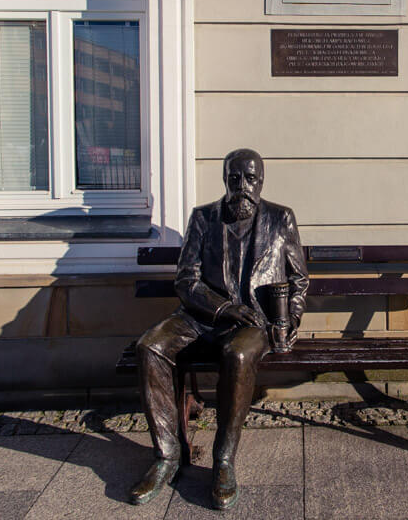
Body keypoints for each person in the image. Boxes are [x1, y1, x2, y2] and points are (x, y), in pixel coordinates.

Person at [130, 148, 309, 509]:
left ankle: (223, 460)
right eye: (234, 178)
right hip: (201, 315)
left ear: (261, 181)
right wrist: (224, 307)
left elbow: (299, 280)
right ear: (224, 179)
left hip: (254, 320)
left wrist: (290, 320)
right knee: (149, 346)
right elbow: (186, 280)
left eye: (250, 179)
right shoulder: (202, 218)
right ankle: (166, 456)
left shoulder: (280, 218)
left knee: (238, 353)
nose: (242, 187)